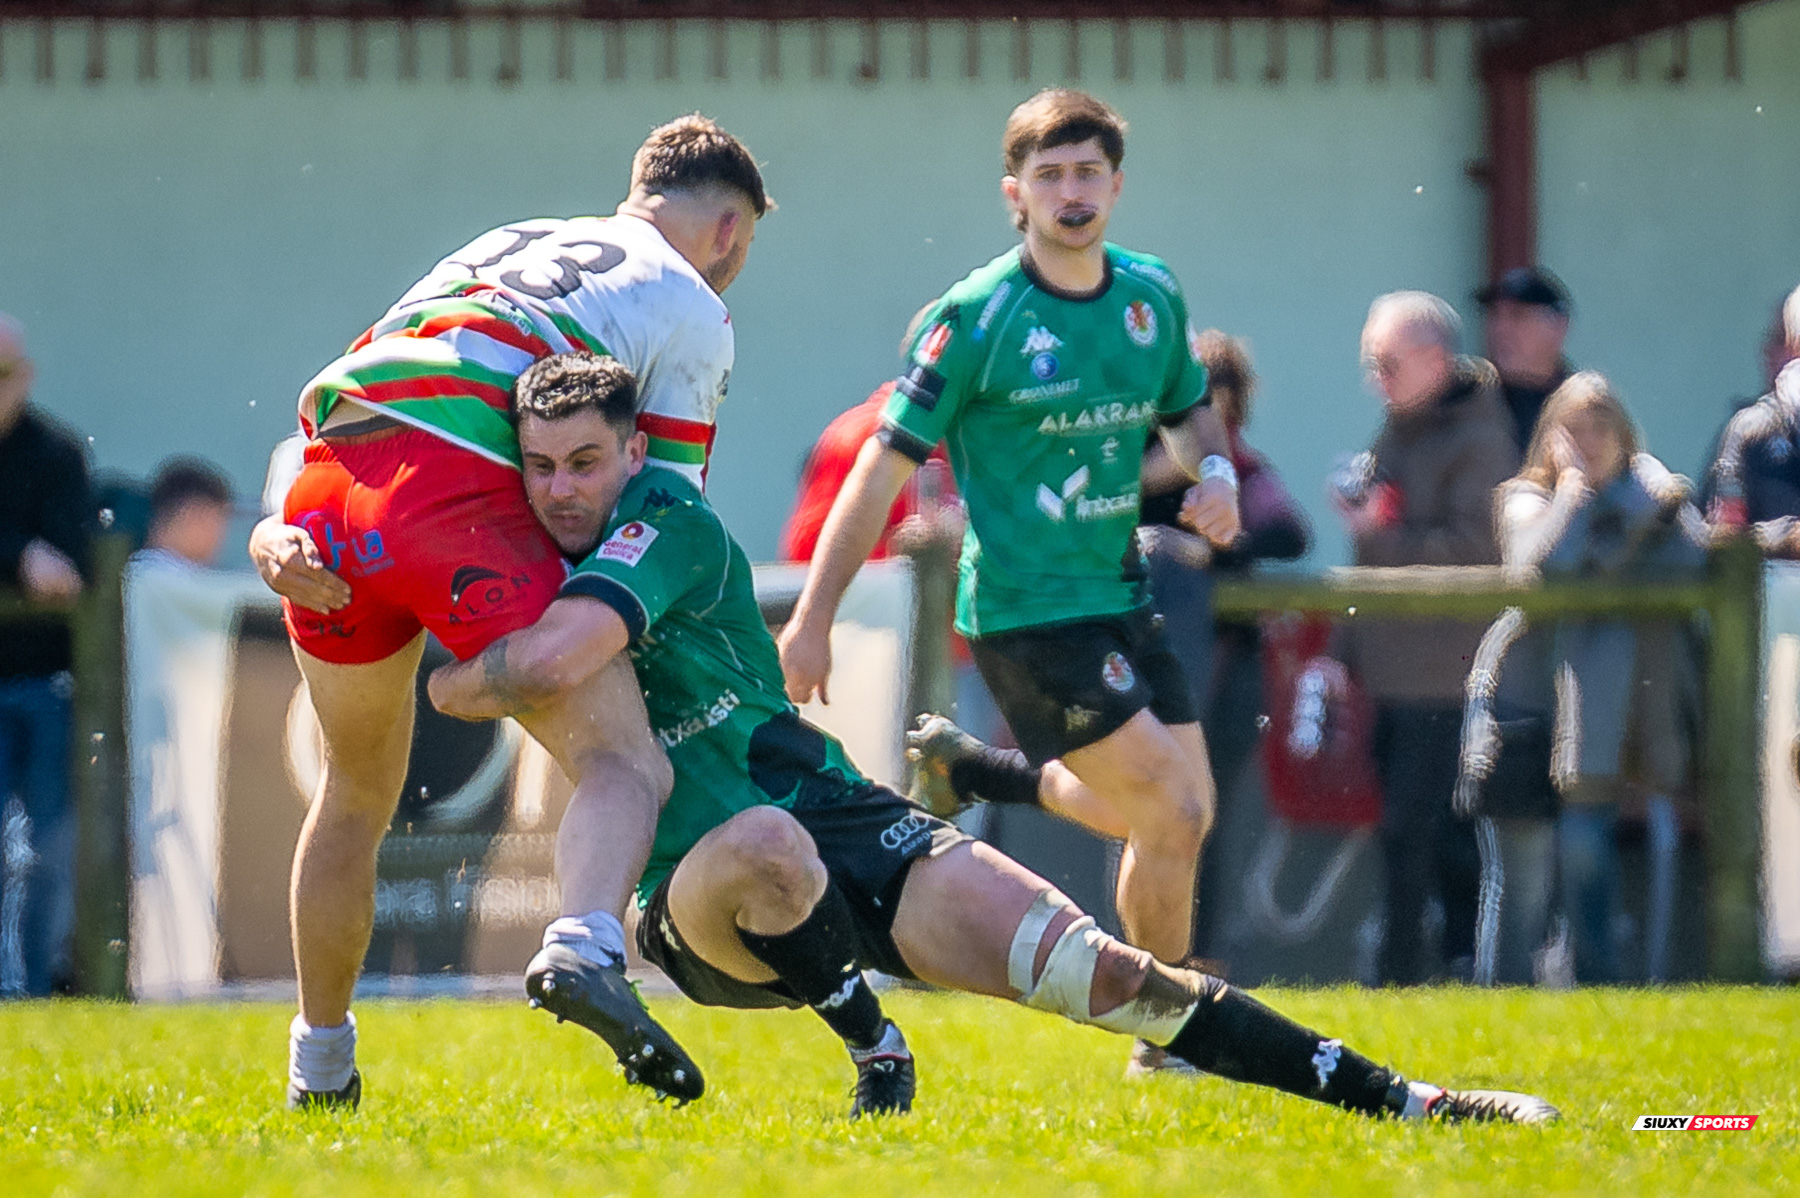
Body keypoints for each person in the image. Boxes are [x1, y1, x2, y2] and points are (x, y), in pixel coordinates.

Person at [427, 350, 1557, 1124]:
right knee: (767, 844)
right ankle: (876, 1043)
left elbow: (549, 662)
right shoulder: (511, 549)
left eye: (584, 462)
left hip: (840, 815)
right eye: (540, 465)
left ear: (634, 454)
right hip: (696, 899)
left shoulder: (663, 521)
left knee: (1116, 974)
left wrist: (450, 684)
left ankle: (1411, 1101)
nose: (560, 488)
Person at [247, 115, 769, 1109]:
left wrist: (274, 526)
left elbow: (367, 383)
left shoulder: (507, 238)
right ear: (730, 231)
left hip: (322, 495)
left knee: (353, 793)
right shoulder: (691, 297)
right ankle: (584, 947)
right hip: (451, 504)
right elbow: (657, 509)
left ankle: (320, 1068)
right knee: (625, 763)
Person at [776, 94, 1242, 1050]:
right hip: (1027, 615)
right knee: (1172, 806)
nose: (1071, 193)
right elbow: (878, 468)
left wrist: (1219, 475)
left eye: (1087, 173)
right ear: (1014, 194)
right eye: (1049, 175)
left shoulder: (1151, 297)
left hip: (1122, 595)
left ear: (1117, 185)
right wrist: (813, 617)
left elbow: (1190, 412)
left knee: (1176, 820)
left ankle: (988, 775)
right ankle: (1169, 1035)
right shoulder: (978, 315)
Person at [1484, 374, 1704, 984]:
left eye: (1601, 428)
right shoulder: (1525, 498)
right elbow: (1535, 568)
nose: (1589, 443)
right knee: (1549, 858)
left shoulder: (1653, 498)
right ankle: (1563, 979)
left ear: (1624, 435)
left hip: (1643, 704)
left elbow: (1694, 564)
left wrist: (1645, 504)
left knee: (1624, 837)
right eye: (1574, 430)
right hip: (1539, 713)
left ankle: (1632, 977)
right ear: (1551, 436)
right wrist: (1572, 499)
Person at [1338, 292, 1520, 985]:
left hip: (1446, 673)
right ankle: (1414, 972)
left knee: (1430, 834)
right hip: (1394, 669)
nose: (1375, 380)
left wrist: (1378, 534)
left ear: (1435, 360)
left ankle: (1426, 972)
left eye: (1386, 363)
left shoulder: (1479, 438)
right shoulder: (1401, 428)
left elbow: (1478, 553)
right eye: (1370, 364)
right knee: (1406, 833)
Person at [0, 315, 92, 999]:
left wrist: (39, 560)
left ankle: (31, 988)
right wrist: (18, 555)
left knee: (46, 850)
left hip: (45, 682)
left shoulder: (56, 453)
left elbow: (73, 562)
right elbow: (39, 563)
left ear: (25, 377)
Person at [1707, 284, 1800, 556]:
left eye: (1778, 339)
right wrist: (1786, 538)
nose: (1766, 350)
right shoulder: (1750, 430)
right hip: (1774, 580)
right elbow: (1723, 537)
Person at [1476, 267, 1574, 451]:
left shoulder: (1583, 407)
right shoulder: (1466, 402)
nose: (1501, 329)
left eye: (1518, 315)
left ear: (1558, 326)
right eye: (1494, 315)